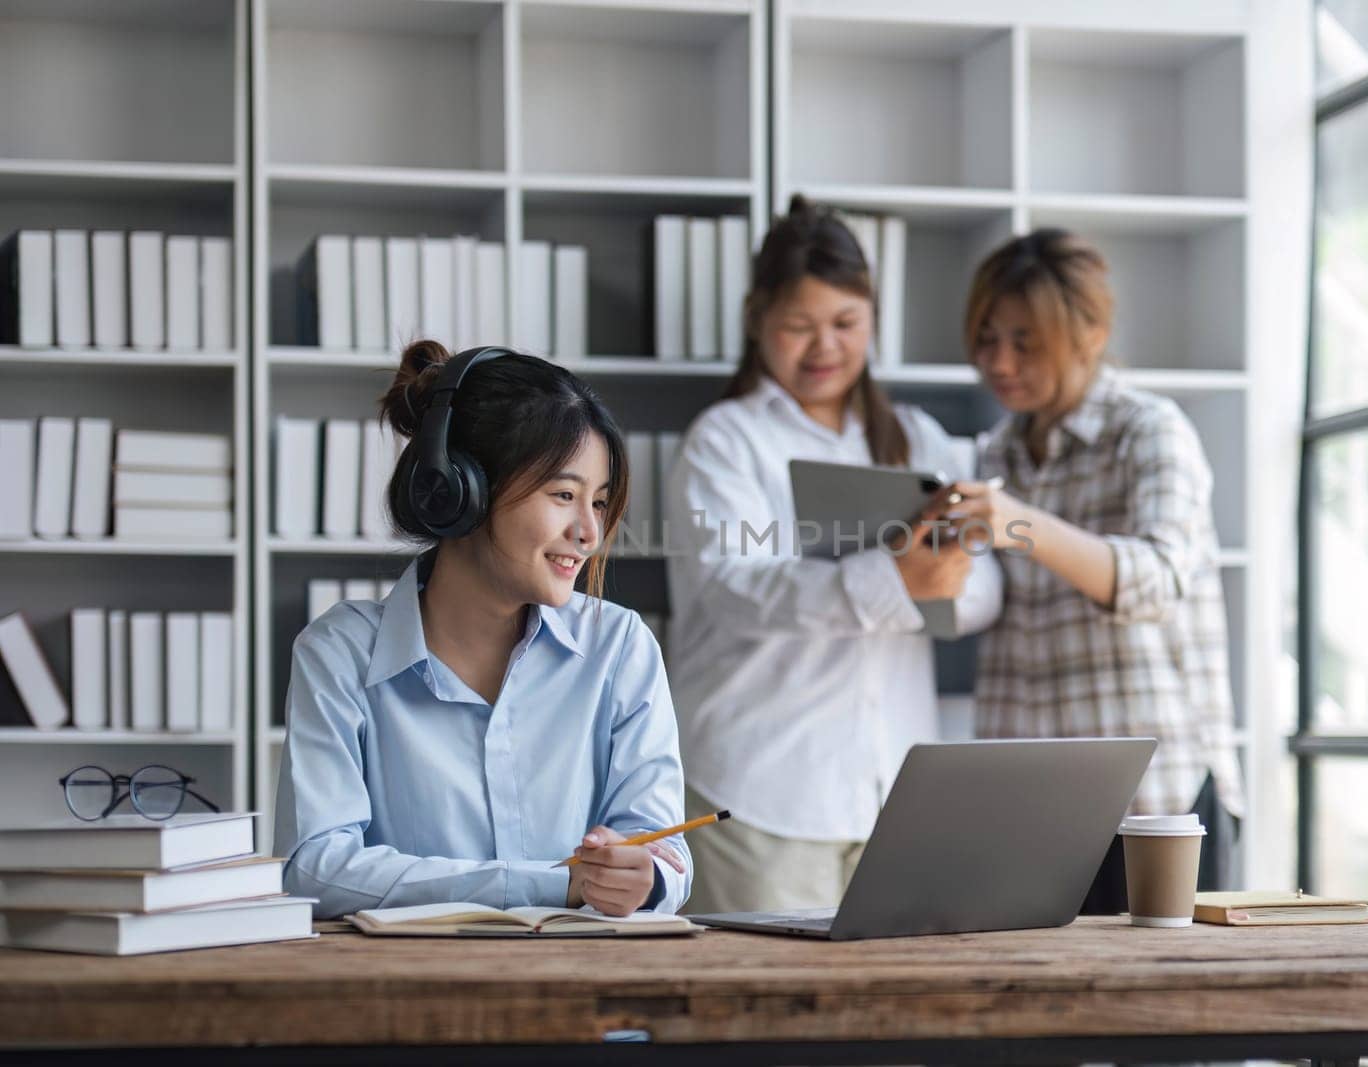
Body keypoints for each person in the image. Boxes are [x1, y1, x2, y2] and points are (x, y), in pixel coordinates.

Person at [664, 195, 1002, 914]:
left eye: (846, 324)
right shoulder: (725, 440)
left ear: (874, 320)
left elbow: (987, 590)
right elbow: (734, 589)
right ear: (759, 320)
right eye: (799, 326)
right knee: (763, 1018)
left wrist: (933, 581)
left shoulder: (917, 438)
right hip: (760, 793)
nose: (824, 348)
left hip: (896, 799)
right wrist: (898, 579)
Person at [275, 342, 692, 920]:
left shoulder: (619, 648)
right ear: (458, 492)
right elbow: (315, 869)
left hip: (584, 984)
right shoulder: (341, 654)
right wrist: (553, 885)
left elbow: (666, 850)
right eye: (564, 496)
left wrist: (644, 878)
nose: (589, 533)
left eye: (597, 504)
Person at [942, 229, 1243, 913]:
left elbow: (1159, 578)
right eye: (986, 339)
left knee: (1167, 1010)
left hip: (1154, 803)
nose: (999, 361)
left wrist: (1018, 523)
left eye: (1025, 341)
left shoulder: (1150, 431)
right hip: (1031, 811)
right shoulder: (997, 455)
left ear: (1091, 334)